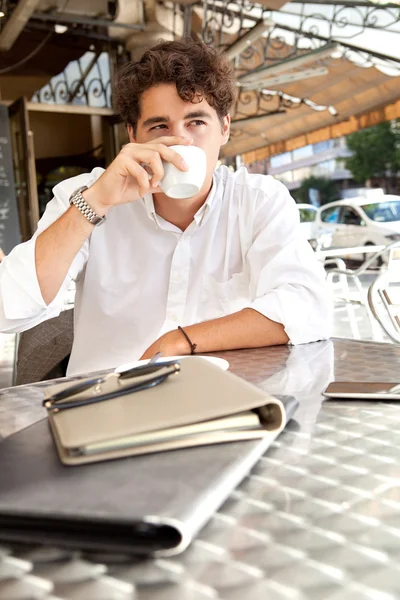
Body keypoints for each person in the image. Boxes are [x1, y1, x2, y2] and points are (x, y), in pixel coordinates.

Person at [0, 38, 332, 376]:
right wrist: (96, 202)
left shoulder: (257, 201)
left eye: (196, 123)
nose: (179, 142)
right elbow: (10, 307)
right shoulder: (86, 194)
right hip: (105, 405)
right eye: (159, 126)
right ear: (133, 135)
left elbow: (308, 306)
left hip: (218, 401)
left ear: (225, 129)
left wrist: (180, 341)